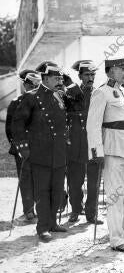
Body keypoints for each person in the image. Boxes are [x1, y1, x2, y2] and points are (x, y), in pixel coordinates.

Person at [12, 61, 83, 242]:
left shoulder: (60, 95)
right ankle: (42, 227)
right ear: (44, 78)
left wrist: (68, 81)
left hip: (59, 151)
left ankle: (52, 223)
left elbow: (79, 103)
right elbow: (18, 123)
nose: (59, 80)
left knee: (57, 189)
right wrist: (23, 147)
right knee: (42, 191)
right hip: (40, 152)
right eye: (56, 77)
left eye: (60, 77)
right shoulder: (31, 97)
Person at [86, 57, 124, 253]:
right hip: (113, 150)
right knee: (115, 194)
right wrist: (97, 152)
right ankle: (116, 238)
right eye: (122, 68)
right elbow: (92, 125)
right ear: (111, 70)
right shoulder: (101, 93)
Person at [66, 60, 103, 225]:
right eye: (87, 75)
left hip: (93, 144)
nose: (90, 78)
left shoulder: (99, 93)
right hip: (76, 143)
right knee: (75, 181)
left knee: (94, 182)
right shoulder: (71, 93)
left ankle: (91, 214)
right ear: (80, 76)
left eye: (92, 74)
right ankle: (75, 210)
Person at [5, 70, 41, 220]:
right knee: (30, 178)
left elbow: (9, 130)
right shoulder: (17, 102)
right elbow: (11, 128)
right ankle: (30, 211)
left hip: (32, 146)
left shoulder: (20, 101)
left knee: (31, 179)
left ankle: (33, 211)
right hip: (26, 147)